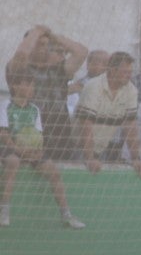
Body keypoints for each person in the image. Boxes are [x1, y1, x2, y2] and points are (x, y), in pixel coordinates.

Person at [0, 68, 86, 229]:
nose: (32, 88)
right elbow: (3, 134)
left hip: (30, 150)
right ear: (16, 86)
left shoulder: (34, 109)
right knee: (13, 163)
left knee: (53, 171)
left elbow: (38, 135)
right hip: (9, 147)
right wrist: (19, 150)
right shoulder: (5, 105)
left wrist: (37, 151)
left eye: (33, 85)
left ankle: (66, 214)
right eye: (28, 85)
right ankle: (3, 210)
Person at [8, 24, 88, 161]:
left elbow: (81, 52)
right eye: (37, 44)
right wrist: (36, 32)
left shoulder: (60, 69)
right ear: (29, 45)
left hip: (59, 132)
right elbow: (21, 54)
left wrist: (53, 36)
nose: (42, 48)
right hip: (28, 130)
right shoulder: (19, 68)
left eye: (45, 44)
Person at [76, 51, 141, 176]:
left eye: (130, 72)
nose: (129, 76)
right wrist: (89, 158)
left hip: (102, 149)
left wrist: (136, 159)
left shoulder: (131, 90)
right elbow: (86, 125)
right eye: (125, 72)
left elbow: (130, 127)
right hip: (78, 148)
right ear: (112, 71)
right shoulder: (94, 87)